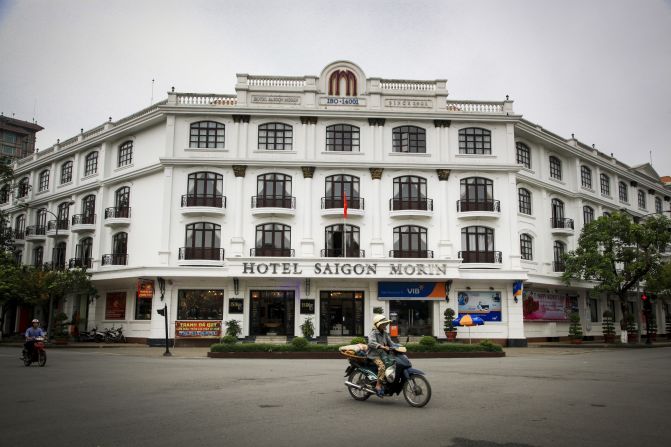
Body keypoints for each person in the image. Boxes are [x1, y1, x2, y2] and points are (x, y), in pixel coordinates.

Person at [367, 314, 393, 397]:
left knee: (391, 364)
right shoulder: (373, 333)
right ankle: (378, 385)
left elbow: (391, 343)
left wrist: (399, 347)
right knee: (382, 367)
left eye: (385, 324)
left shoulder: (385, 333)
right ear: (379, 325)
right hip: (374, 355)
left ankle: (386, 381)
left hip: (383, 354)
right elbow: (371, 342)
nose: (385, 325)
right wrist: (382, 346)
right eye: (384, 324)